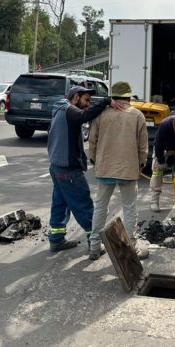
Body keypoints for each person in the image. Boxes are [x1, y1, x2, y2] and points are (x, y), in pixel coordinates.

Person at [46, 85, 123, 252]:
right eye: (86, 100)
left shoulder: (59, 109)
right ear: (75, 97)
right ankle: (94, 242)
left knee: (60, 204)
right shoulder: (69, 110)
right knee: (84, 205)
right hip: (68, 170)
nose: (88, 104)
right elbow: (84, 115)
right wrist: (106, 101)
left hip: (56, 167)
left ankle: (56, 239)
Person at [88, 81, 149, 261]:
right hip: (128, 169)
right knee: (130, 208)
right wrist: (141, 163)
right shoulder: (137, 115)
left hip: (105, 168)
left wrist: (94, 159)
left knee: (100, 206)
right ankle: (132, 246)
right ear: (129, 97)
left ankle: (94, 247)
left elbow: (92, 140)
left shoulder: (101, 115)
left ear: (112, 97)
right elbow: (142, 146)